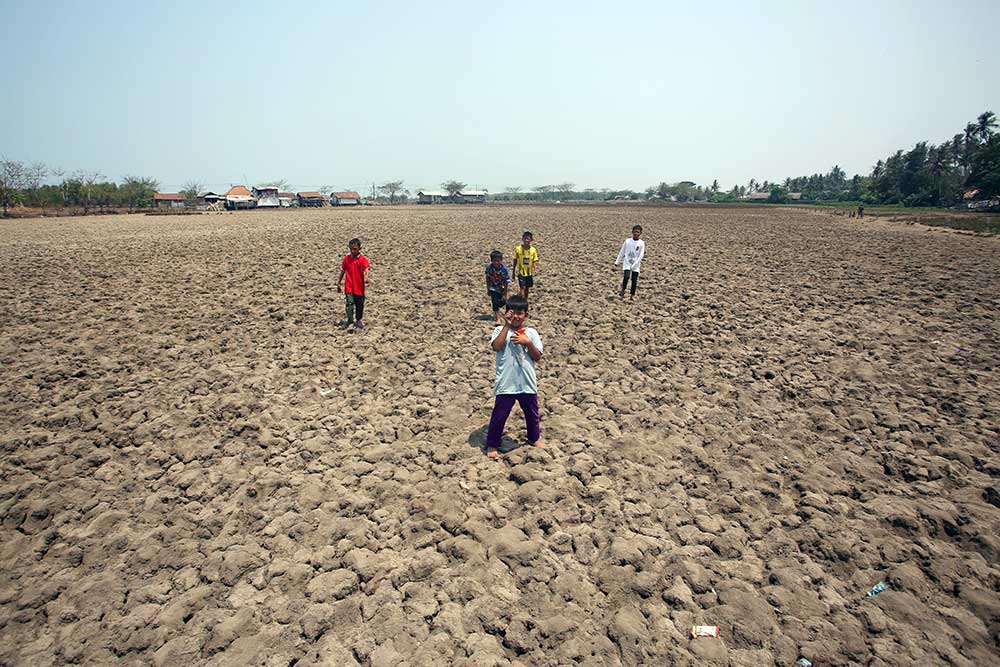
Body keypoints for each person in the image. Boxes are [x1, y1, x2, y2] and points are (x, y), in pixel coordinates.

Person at [486, 295, 543, 459]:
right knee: (500, 415)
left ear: (526, 314)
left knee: (532, 413)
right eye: (513, 313)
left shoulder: (531, 332)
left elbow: (537, 356)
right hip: (506, 382)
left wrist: (528, 342)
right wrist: (506, 326)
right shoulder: (500, 330)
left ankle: (534, 438)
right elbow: (496, 347)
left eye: (520, 313)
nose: (516, 317)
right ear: (506, 313)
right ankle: (492, 444)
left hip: (526, 381)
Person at [337, 238, 370, 331]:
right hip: (349, 285)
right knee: (349, 304)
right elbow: (343, 270)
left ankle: (358, 320)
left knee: (359, 305)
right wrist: (339, 282)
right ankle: (350, 320)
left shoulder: (363, 259)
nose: (352, 251)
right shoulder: (347, 258)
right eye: (351, 249)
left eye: (355, 249)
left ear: (360, 248)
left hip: (359, 286)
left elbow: (366, 269)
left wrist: (366, 278)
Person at [615, 224, 645, 300]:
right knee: (626, 276)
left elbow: (641, 255)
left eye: (638, 232)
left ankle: (632, 295)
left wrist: (635, 264)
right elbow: (622, 251)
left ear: (640, 233)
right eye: (635, 232)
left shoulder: (641, 243)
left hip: (636, 264)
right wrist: (617, 262)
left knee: (634, 280)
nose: (636, 233)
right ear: (632, 232)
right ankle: (623, 289)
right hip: (627, 263)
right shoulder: (627, 241)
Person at [485, 250, 510, 325]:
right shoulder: (489, 268)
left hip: (501, 287)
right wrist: (488, 288)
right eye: (494, 261)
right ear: (491, 261)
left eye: (498, 261)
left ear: (501, 261)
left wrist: (505, 294)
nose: (496, 263)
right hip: (493, 287)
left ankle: (507, 315)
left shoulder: (504, 269)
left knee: (503, 302)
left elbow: (506, 282)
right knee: (494, 302)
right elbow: (487, 278)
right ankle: (498, 318)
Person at [513, 231, 539, 299]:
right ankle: (522, 301)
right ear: (522, 239)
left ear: (531, 240)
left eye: (528, 238)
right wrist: (513, 271)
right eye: (525, 238)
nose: (526, 240)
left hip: (529, 273)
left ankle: (525, 300)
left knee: (527, 288)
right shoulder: (518, 249)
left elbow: (534, 260)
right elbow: (515, 260)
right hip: (521, 273)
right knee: (522, 288)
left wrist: (535, 269)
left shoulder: (533, 250)